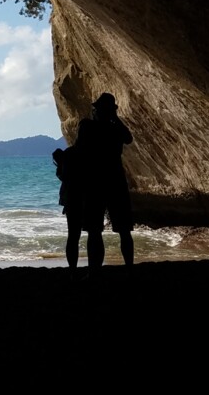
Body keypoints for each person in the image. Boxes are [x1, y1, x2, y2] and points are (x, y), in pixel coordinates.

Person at [75, 92, 134, 278]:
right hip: (115, 181)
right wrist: (115, 118)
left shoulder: (87, 126)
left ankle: (94, 271)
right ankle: (128, 269)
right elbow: (128, 138)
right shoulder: (114, 129)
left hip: (95, 182)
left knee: (94, 230)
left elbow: (79, 149)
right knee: (122, 229)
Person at [52, 145, 83, 280]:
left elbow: (64, 176)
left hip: (71, 199)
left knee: (73, 236)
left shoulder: (68, 154)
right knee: (94, 234)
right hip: (85, 196)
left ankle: (73, 270)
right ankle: (93, 270)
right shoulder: (85, 152)